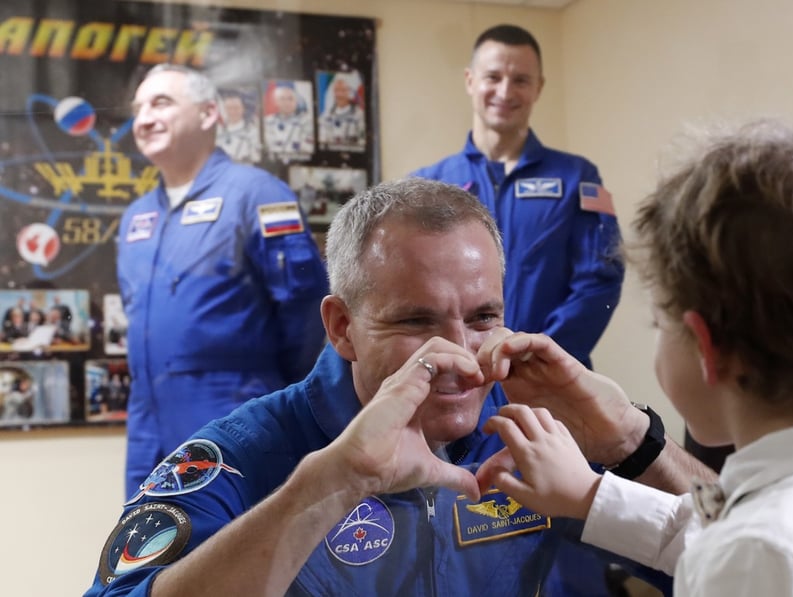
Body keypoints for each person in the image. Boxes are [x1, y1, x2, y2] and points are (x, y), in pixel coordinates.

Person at [85, 178, 705, 596]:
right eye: (415, 321)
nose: (462, 357)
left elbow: (754, 560)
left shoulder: (528, 432)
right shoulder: (242, 454)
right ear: (341, 327)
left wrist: (630, 441)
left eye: (484, 317)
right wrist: (331, 482)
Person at [476, 120, 793, 596]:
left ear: (707, 348)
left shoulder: (752, 556)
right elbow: (718, 530)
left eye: (660, 325)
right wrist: (591, 492)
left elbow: (739, 549)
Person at [119, 64, 328, 499]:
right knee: (151, 555)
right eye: (138, 108)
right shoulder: (136, 218)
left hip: (236, 421)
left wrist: (277, 396)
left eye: (161, 102)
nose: (144, 118)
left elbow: (307, 311)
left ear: (209, 113)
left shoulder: (258, 195)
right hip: (148, 426)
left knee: (240, 557)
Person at [412, 24, 623, 371]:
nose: (505, 91)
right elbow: (414, 290)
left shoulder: (577, 178)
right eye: (493, 77)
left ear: (538, 87)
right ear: (470, 81)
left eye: (521, 80)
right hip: (459, 378)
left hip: (551, 378)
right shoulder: (428, 185)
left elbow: (599, 281)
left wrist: (534, 353)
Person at [317, 72, 366, 152]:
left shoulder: (359, 114)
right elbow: (320, 139)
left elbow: (363, 140)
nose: (339, 94)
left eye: (343, 90)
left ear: (350, 92)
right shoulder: (326, 115)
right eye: (337, 90)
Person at [264, 81, 314, 159]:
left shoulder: (306, 122)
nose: (286, 103)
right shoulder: (267, 122)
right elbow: (267, 147)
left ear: (296, 101)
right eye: (282, 99)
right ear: (276, 102)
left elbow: (309, 148)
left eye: (290, 99)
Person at [216, 91, 261, 163]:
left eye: (236, 108)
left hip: (243, 169)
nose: (233, 111)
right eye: (229, 108)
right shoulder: (218, 131)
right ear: (224, 110)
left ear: (243, 109)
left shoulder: (252, 132)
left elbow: (257, 157)